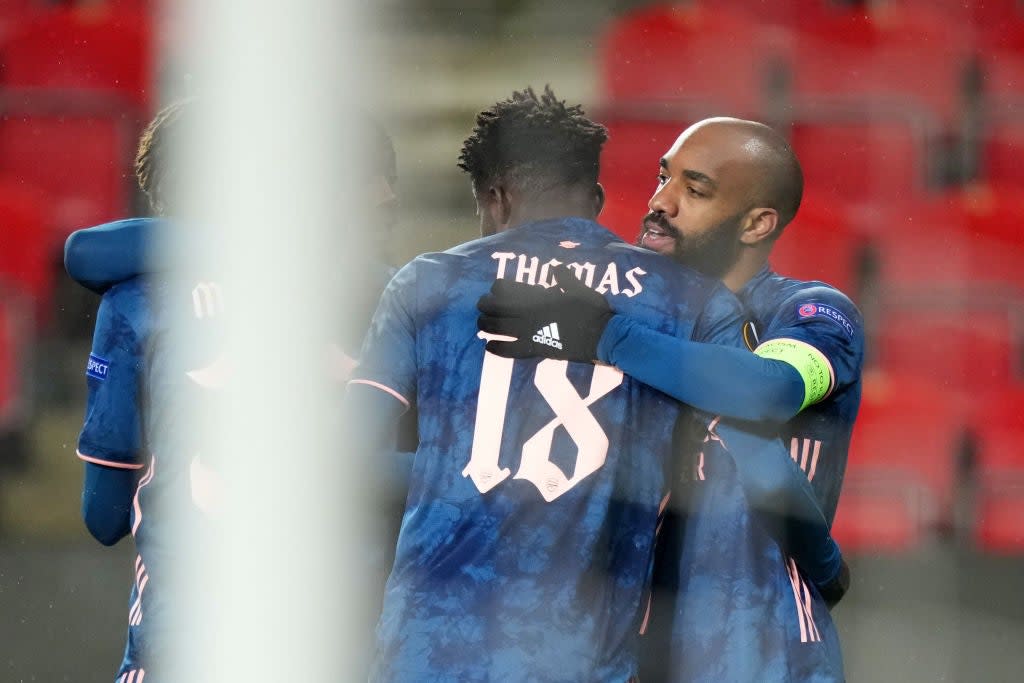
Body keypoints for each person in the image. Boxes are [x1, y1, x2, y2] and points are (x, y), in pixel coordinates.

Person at [345, 87, 839, 682]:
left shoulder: (428, 282)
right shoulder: (686, 298)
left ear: (494, 199)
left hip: (431, 648)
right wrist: (827, 565)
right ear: (597, 198)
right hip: (582, 654)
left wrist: (448, 470)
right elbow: (757, 457)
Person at [478, 117, 861, 681]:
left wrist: (607, 338)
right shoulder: (619, 311)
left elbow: (767, 389)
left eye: (695, 190)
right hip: (626, 648)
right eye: (663, 177)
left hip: (761, 646)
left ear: (757, 223)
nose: (661, 201)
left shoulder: (811, 312)